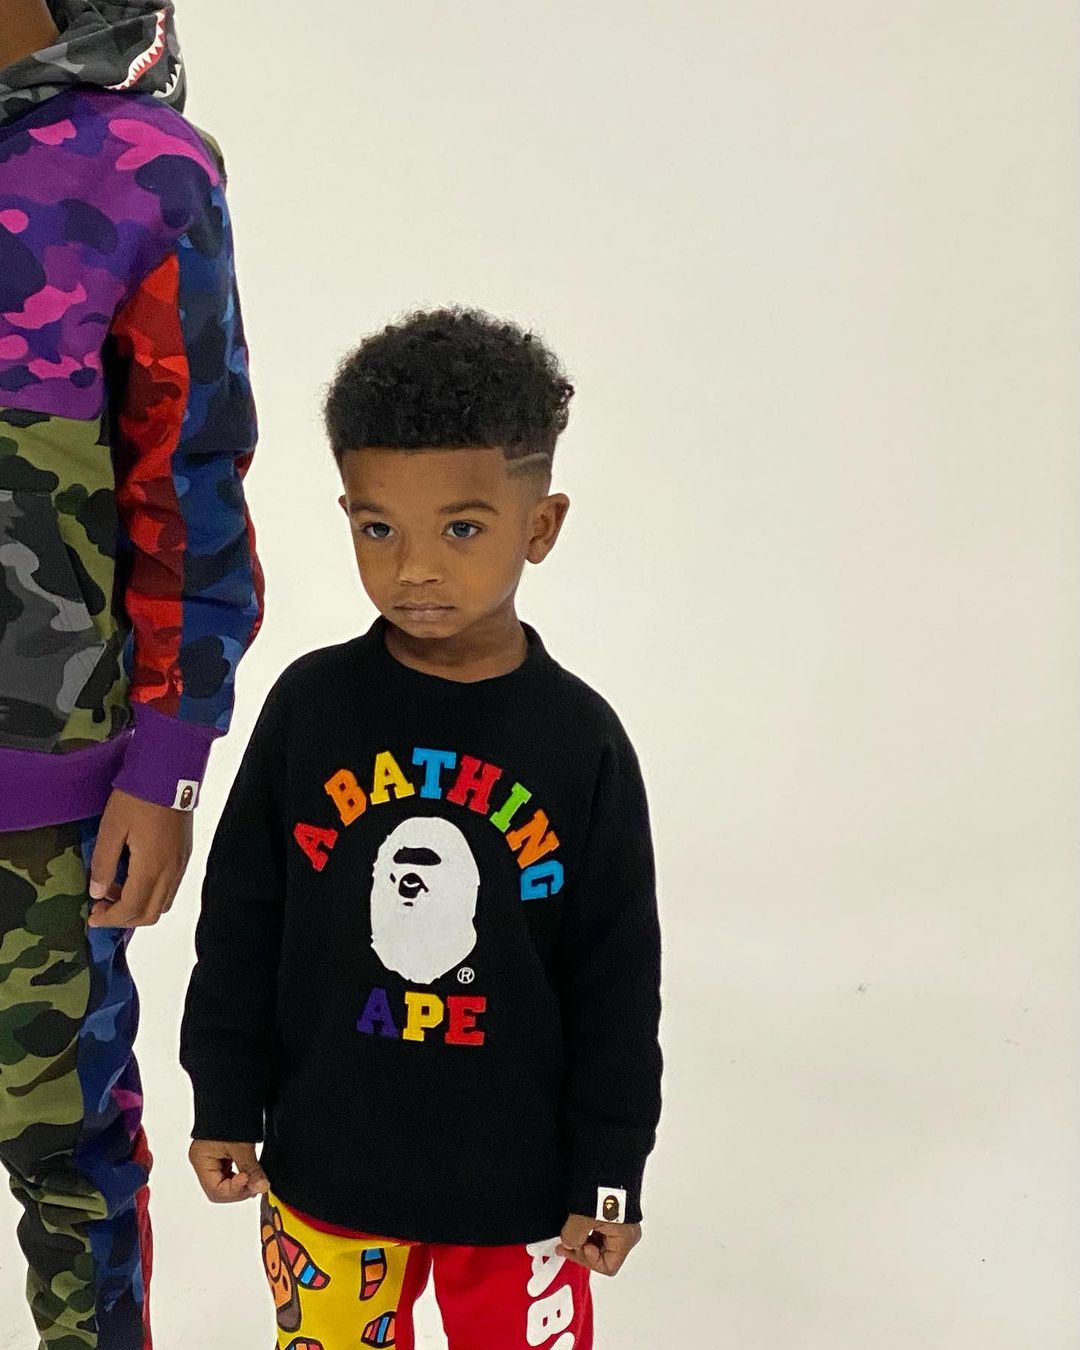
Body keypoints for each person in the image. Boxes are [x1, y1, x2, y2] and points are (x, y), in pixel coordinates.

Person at [181, 308, 663, 1350]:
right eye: (378, 529)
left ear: (540, 526)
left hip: (522, 1195)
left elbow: (617, 979)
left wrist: (610, 1171)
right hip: (327, 1177)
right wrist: (223, 1097)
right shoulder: (311, 710)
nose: (414, 568)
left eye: (462, 529)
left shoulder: (579, 740)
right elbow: (242, 923)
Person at [0, 2, 262, 1345]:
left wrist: (169, 761)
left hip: (40, 808)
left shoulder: (142, 172)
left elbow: (190, 480)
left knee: (66, 1153)